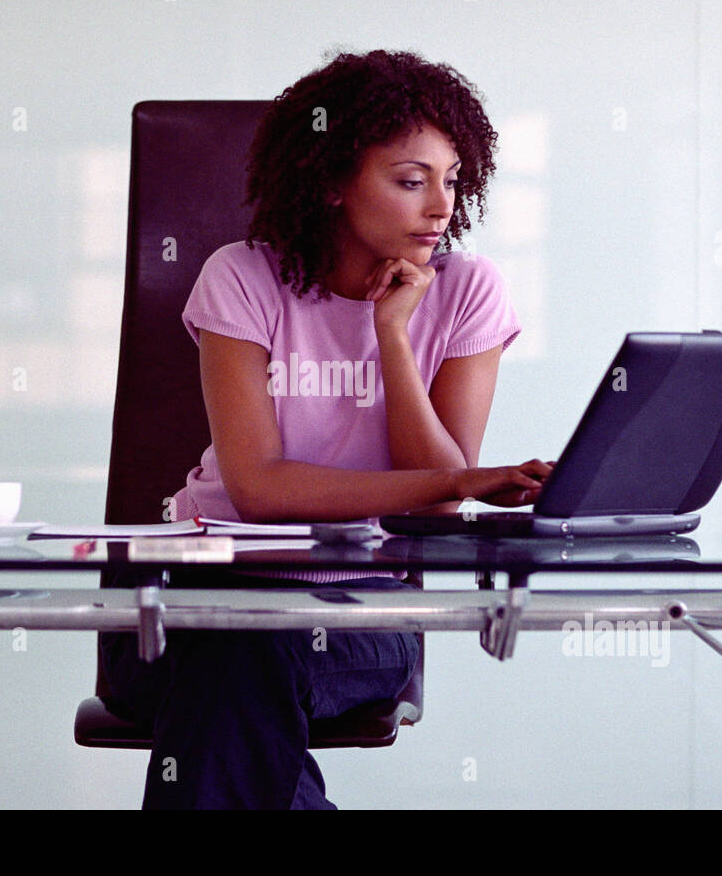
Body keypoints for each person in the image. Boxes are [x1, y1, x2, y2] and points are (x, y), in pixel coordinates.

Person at [98, 48, 554, 809]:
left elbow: (433, 511)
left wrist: (393, 340)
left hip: (360, 613)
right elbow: (259, 487)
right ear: (334, 183)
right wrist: (461, 479)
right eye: (412, 181)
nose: (441, 206)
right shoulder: (241, 278)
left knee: (237, 676)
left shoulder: (469, 292)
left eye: (451, 180)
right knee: (233, 665)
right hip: (179, 605)